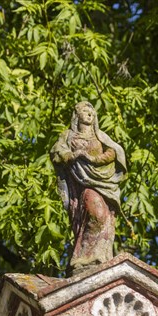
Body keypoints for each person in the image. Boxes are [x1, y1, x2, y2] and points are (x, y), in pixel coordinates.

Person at [50, 101, 127, 274]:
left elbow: (114, 152)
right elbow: (56, 152)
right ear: (77, 115)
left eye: (92, 112)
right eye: (85, 111)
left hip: (104, 182)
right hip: (82, 182)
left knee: (104, 217)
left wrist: (92, 159)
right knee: (94, 212)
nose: (90, 114)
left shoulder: (100, 136)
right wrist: (71, 156)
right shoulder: (68, 135)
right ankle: (83, 257)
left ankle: (99, 256)